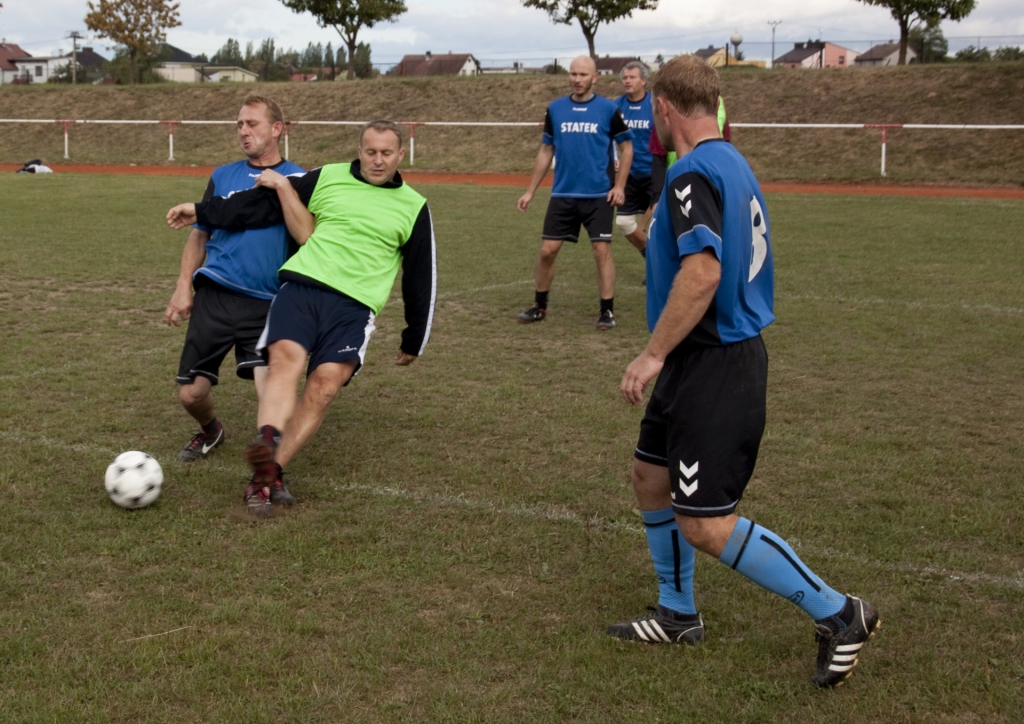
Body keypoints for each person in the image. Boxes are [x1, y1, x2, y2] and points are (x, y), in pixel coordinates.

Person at [609, 55, 880, 689]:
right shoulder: (732, 160)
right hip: (700, 356)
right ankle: (678, 613)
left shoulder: (690, 172)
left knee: (705, 522)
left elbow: (703, 273)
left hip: (716, 362)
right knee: (650, 478)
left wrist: (650, 352)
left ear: (664, 108)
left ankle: (840, 613)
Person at [166, 120, 436, 517]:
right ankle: (269, 440)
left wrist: (414, 337)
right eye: (370, 151)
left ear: (400, 155)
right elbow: (258, 206)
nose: (377, 161)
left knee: (324, 386)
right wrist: (202, 211)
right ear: (359, 150)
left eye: (386, 153)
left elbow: (420, 275)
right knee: (285, 362)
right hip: (302, 288)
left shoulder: (414, 206)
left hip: (354, 308)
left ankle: (268, 470)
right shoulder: (325, 177)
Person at [164, 94, 304, 462]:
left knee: (269, 389)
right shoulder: (222, 175)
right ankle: (212, 430)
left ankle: (269, 471)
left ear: (276, 129)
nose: (243, 131)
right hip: (215, 296)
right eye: (239, 124)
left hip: (267, 301)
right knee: (190, 394)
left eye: (252, 124)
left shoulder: (298, 179)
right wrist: (183, 286)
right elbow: (200, 232)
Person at [516, 55, 633, 331]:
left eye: (583, 75)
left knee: (601, 250)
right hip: (563, 194)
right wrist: (530, 191)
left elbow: (627, 147)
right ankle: (540, 305)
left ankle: (607, 311)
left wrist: (619, 186)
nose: (577, 79)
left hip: (599, 195)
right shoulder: (555, 109)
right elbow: (546, 150)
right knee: (547, 251)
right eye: (573, 74)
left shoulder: (608, 109)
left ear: (595, 78)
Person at [614, 60, 654, 258]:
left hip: (654, 173)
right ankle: (652, 256)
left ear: (644, 81)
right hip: (628, 175)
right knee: (623, 222)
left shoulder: (655, 105)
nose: (627, 81)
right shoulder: (615, 107)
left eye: (632, 77)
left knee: (659, 223)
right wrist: (614, 157)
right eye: (625, 78)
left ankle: (659, 267)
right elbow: (606, 136)